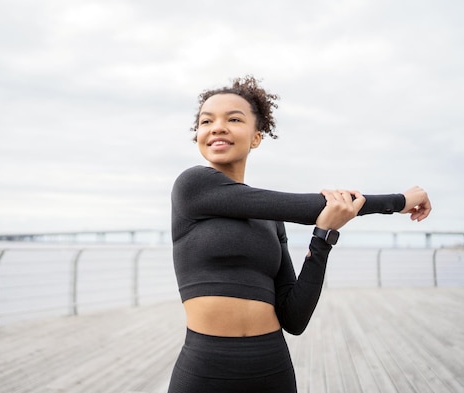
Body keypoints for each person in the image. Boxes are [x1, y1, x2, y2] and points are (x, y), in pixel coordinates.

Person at [167, 76, 432, 393]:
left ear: (256, 138)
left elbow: (294, 318)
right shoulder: (192, 186)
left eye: (233, 119)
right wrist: (399, 202)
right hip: (204, 368)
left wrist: (323, 237)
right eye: (206, 121)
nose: (217, 127)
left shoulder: (271, 220)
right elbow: (311, 206)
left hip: (271, 367)